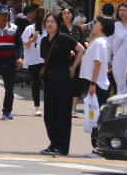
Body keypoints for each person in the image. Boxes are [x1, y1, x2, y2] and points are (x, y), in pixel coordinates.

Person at [39, 13, 84, 156]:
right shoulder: (44, 41)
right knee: (49, 114)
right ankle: (54, 144)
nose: (49, 24)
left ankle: (63, 146)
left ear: (58, 24)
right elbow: (45, 58)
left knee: (62, 114)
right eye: (47, 21)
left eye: (52, 21)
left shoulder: (63, 38)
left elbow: (81, 50)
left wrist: (74, 67)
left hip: (63, 77)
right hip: (48, 78)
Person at [78, 15, 114, 158]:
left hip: (97, 83)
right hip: (98, 82)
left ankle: (98, 148)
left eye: (97, 23)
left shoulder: (100, 42)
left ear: (103, 26)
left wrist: (92, 83)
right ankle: (98, 148)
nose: (93, 24)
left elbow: (97, 63)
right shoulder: (101, 41)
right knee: (96, 116)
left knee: (96, 117)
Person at [60, 7, 88, 118]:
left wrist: (85, 43)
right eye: (64, 13)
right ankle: (63, 109)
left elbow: (81, 41)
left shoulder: (77, 28)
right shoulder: (60, 28)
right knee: (64, 85)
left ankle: (73, 110)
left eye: (69, 13)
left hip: (76, 61)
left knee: (76, 85)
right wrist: (68, 50)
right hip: (63, 61)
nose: (66, 15)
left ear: (73, 15)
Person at [22, 6, 48, 117]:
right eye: (47, 13)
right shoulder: (30, 28)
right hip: (34, 59)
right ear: (41, 15)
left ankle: (48, 106)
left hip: (47, 60)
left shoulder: (50, 28)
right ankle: (37, 106)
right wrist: (32, 39)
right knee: (36, 83)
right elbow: (24, 44)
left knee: (48, 84)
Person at [109, 2, 127, 96]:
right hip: (119, 61)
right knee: (121, 88)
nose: (122, 12)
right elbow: (109, 44)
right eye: (120, 10)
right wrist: (108, 60)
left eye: (124, 10)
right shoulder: (115, 26)